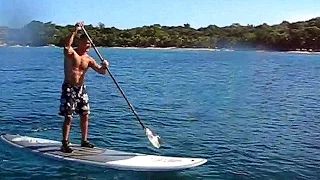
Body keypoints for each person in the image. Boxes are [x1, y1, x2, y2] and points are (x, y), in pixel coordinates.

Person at [58, 21, 109, 153]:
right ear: (80, 42)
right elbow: (66, 45)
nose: (88, 46)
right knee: (69, 116)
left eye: (90, 45)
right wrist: (75, 30)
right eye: (86, 44)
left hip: (81, 89)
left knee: (85, 114)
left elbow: (101, 71)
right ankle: (65, 143)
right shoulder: (71, 53)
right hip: (69, 87)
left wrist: (104, 65)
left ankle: (84, 141)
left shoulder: (89, 59)